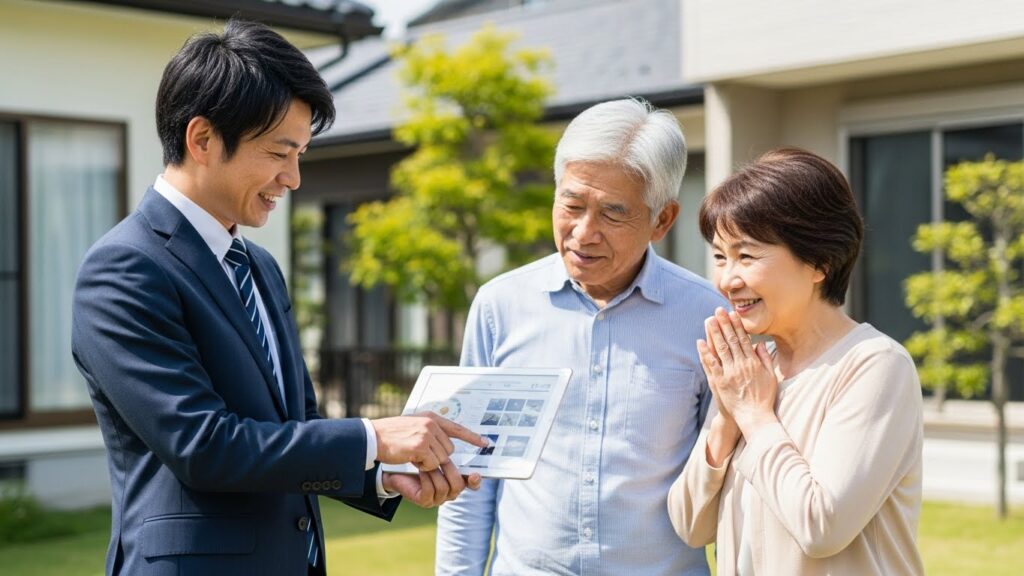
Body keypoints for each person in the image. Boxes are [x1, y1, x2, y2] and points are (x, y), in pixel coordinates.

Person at [71, 20, 486, 576]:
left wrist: (386, 475)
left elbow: (297, 424)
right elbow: (204, 445)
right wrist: (374, 437)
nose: (292, 179)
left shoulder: (259, 266)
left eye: (301, 155)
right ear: (202, 140)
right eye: (279, 153)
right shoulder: (124, 269)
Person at [435, 98, 726, 575]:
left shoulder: (707, 317)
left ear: (663, 220)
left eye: (613, 214)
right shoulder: (500, 307)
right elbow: (469, 475)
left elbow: (726, 488)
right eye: (571, 204)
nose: (583, 232)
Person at [668, 148, 925, 575]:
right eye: (719, 256)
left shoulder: (876, 367)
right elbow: (690, 525)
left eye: (747, 256)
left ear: (819, 261)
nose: (727, 279)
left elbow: (822, 525)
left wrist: (753, 414)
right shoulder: (749, 370)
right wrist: (726, 423)